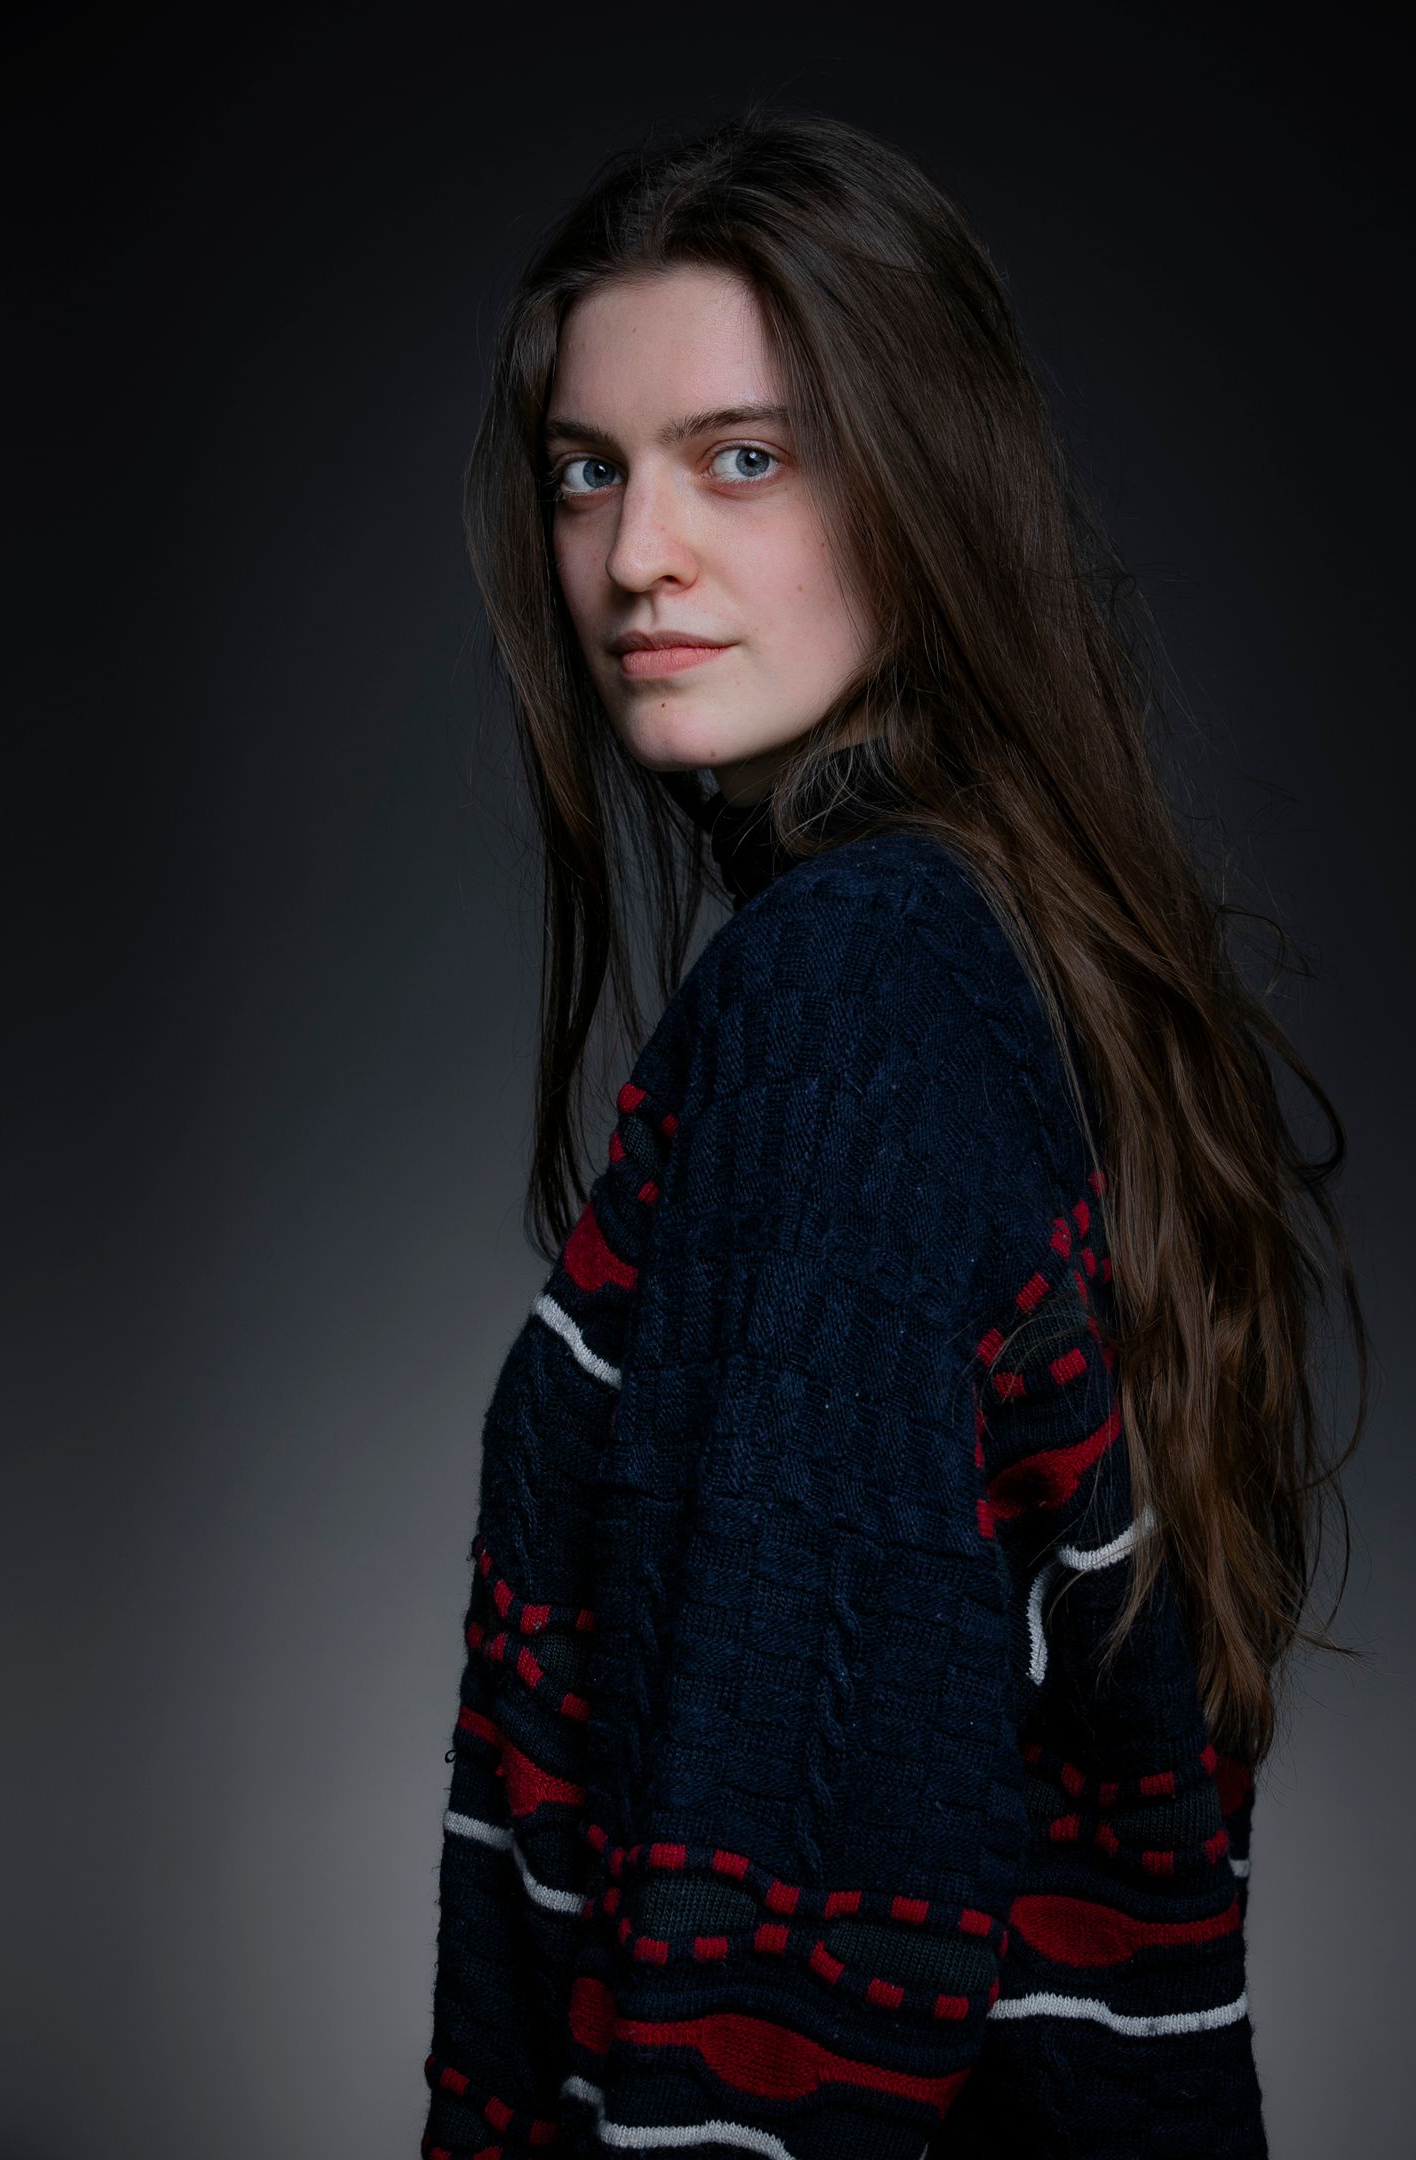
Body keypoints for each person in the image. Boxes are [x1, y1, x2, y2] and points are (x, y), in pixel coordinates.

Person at [420, 107, 1368, 2160]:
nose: (635, 556)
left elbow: (772, 1976)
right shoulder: (1009, 959)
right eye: (589, 471)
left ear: (925, 481)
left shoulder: (852, 996)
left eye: (742, 458)